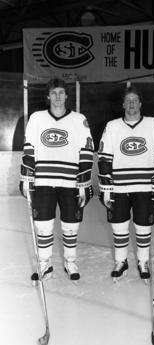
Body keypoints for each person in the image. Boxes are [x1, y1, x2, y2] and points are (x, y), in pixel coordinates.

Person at [20, 77, 94, 283]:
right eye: (54, 93)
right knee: (43, 225)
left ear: (67, 96)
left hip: (70, 182)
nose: (58, 97)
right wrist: (26, 176)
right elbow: (29, 148)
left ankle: (70, 262)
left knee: (71, 225)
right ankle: (45, 264)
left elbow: (86, 150)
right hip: (43, 181)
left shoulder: (79, 119)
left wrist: (84, 181)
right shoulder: (36, 118)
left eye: (61, 93)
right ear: (47, 96)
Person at [98, 84, 154, 282]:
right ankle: (121, 261)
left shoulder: (153, 124)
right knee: (119, 226)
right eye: (128, 101)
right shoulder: (112, 126)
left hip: (145, 187)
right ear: (123, 104)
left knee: (143, 226)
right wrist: (106, 186)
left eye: (134, 101)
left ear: (140, 103)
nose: (131, 104)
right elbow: (104, 158)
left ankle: (143, 261)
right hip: (119, 187)